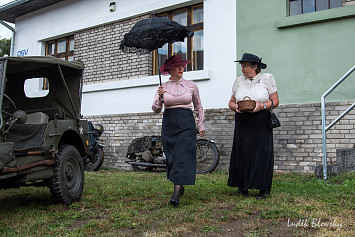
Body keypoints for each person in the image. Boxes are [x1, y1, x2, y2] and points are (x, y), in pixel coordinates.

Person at [152, 55, 205, 206]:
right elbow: (156, 109)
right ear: (170, 70)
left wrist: (201, 124)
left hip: (186, 123)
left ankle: (176, 192)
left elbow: (198, 106)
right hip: (169, 123)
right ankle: (179, 185)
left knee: (183, 155)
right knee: (173, 156)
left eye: (182, 65)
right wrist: (159, 97)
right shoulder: (163, 87)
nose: (182, 68)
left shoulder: (191, 85)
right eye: (177, 66)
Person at [228, 53, 279, 199]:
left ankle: (263, 187)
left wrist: (262, 105)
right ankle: (242, 185)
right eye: (241, 66)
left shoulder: (267, 78)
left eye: (245, 66)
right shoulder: (238, 81)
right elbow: (231, 101)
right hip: (242, 120)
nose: (242, 69)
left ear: (254, 66)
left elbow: (275, 101)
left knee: (262, 152)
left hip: (261, 120)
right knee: (243, 152)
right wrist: (235, 107)